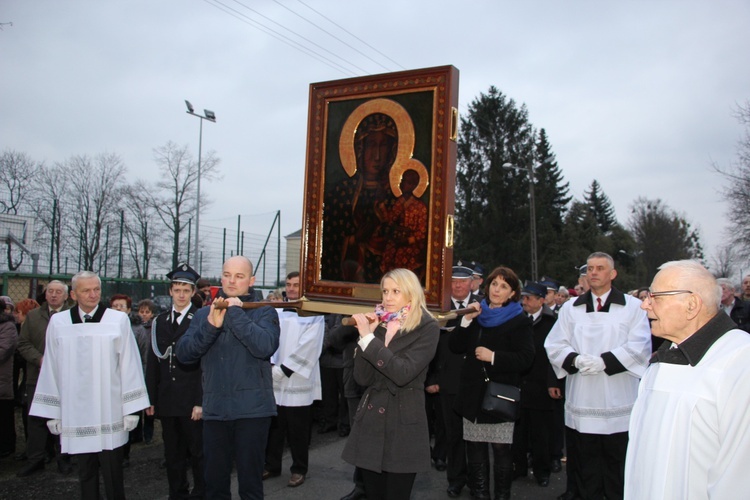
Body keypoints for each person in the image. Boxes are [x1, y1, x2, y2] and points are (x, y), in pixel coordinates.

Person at [624, 260, 750, 498]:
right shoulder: (662, 360)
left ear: (692, 304)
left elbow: (739, 475)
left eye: (655, 297)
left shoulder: (739, 360)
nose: (645, 305)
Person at [30, 271, 150, 500]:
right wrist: (53, 412)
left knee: (113, 473)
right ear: (73, 294)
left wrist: (131, 408)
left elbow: (130, 364)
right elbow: (51, 368)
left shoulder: (118, 320)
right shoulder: (59, 322)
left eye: (97, 289)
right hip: (77, 412)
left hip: (110, 410)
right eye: (86, 290)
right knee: (85, 473)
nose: (93, 294)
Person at [544, 252, 651, 500]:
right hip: (583, 396)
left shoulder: (633, 307)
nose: (593, 273)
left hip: (618, 394)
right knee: (585, 464)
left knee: (617, 465)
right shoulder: (571, 308)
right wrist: (576, 360)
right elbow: (555, 344)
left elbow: (640, 346)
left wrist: (605, 361)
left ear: (612, 274)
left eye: (600, 268)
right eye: (590, 268)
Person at [175, 256, 280, 500]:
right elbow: (184, 354)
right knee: (215, 485)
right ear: (220, 277)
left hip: (253, 412)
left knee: (250, 486)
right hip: (215, 411)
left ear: (251, 280)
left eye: (239, 276)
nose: (232, 281)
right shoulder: (203, 315)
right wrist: (211, 325)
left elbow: (264, 346)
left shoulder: (264, 311)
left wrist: (234, 313)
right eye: (227, 274)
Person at [341, 268, 440, 500]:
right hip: (372, 425)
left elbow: (403, 373)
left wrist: (367, 339)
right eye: (385, 291)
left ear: (411, 294)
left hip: (402, 423)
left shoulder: (427, 327)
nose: (388, 297)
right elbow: (363, 379)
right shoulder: (380, 324)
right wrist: (369, 337)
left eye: (396, 291)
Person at [450, 266, 535, 500]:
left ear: (512, 293)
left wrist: (494, 356)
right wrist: (466, 320)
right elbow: (455, 347)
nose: (497, 290)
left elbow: (526, 358)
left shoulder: (519, 321)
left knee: (501, 450)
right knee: (474, 449)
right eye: (494, 284)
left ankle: (502, 496)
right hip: (472, 395)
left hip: (500, 396)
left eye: (504, 286)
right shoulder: (477, 314)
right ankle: (480, 495)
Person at [146, 263, 205, 500]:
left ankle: (201, 493)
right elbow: (153, 362)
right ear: (170, 291)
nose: (181, 295)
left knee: (198, 452)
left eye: (186, 290)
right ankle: (177, 493)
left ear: (193, 293)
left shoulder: (201, 318)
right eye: (177, 289)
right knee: (173, 454)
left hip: (191, 400)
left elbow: (204, 365)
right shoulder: (159, 321)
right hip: (168, 399)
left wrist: (201, 402)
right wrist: (151, 398)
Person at [264, 272, 324, 488]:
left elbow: (310, 345)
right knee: (275, 425)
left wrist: (285, 370)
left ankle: (299, 469)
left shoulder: (313, 312)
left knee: (298, 428)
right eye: (288, 284)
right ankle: (272, 465)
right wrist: (271, 366)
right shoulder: (276, 310)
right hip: (274, 375)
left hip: (297, 378)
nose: (290, 288)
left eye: (296, 284)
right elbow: (268, 337)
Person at [322, 113, 398, 283]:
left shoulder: (395, 195)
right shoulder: (341, 193)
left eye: (383, 146)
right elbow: (330, 242)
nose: (377, 155)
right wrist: (354, 240)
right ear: (359, 148)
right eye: (371, 145)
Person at [432, 263, 479, 498]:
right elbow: (429, 345)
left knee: (477, 435)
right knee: (453, 434)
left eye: (462, 281)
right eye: (453, 281)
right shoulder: (439, 307)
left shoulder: (484, 306)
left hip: (476, 379)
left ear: (472, 283)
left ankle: (477, 480)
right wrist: (432, 377)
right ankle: (456, 479)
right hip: (447, 379)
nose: (458, 285)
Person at [16, 280, 72, 477]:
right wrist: (40, 360)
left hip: (65, 378)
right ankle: (36, 459)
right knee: (36, 419)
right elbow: (23, 343)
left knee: (64, 418)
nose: (54, 295)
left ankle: (64, 459)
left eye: (58, 292)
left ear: (66, 296)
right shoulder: (32, 317)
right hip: (36, 377)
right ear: (45, 294)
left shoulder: (72, 317)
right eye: (50, 291)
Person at [512, 281, 559, 488]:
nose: (524, 301)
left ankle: (542, 471)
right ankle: (518, 467)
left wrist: (553, 381)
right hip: (519, 384)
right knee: (518, 432)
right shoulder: (517, 320)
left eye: (529, 298)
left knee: (541, 433)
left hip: (541, 385)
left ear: (541, 300)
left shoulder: (553, 322)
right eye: (523, 297)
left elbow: (556, 354)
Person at [0, 297, 17, 458]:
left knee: (4, 416)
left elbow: (3, 351)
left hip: (2, 381)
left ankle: (6, 446)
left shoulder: (7, 327)